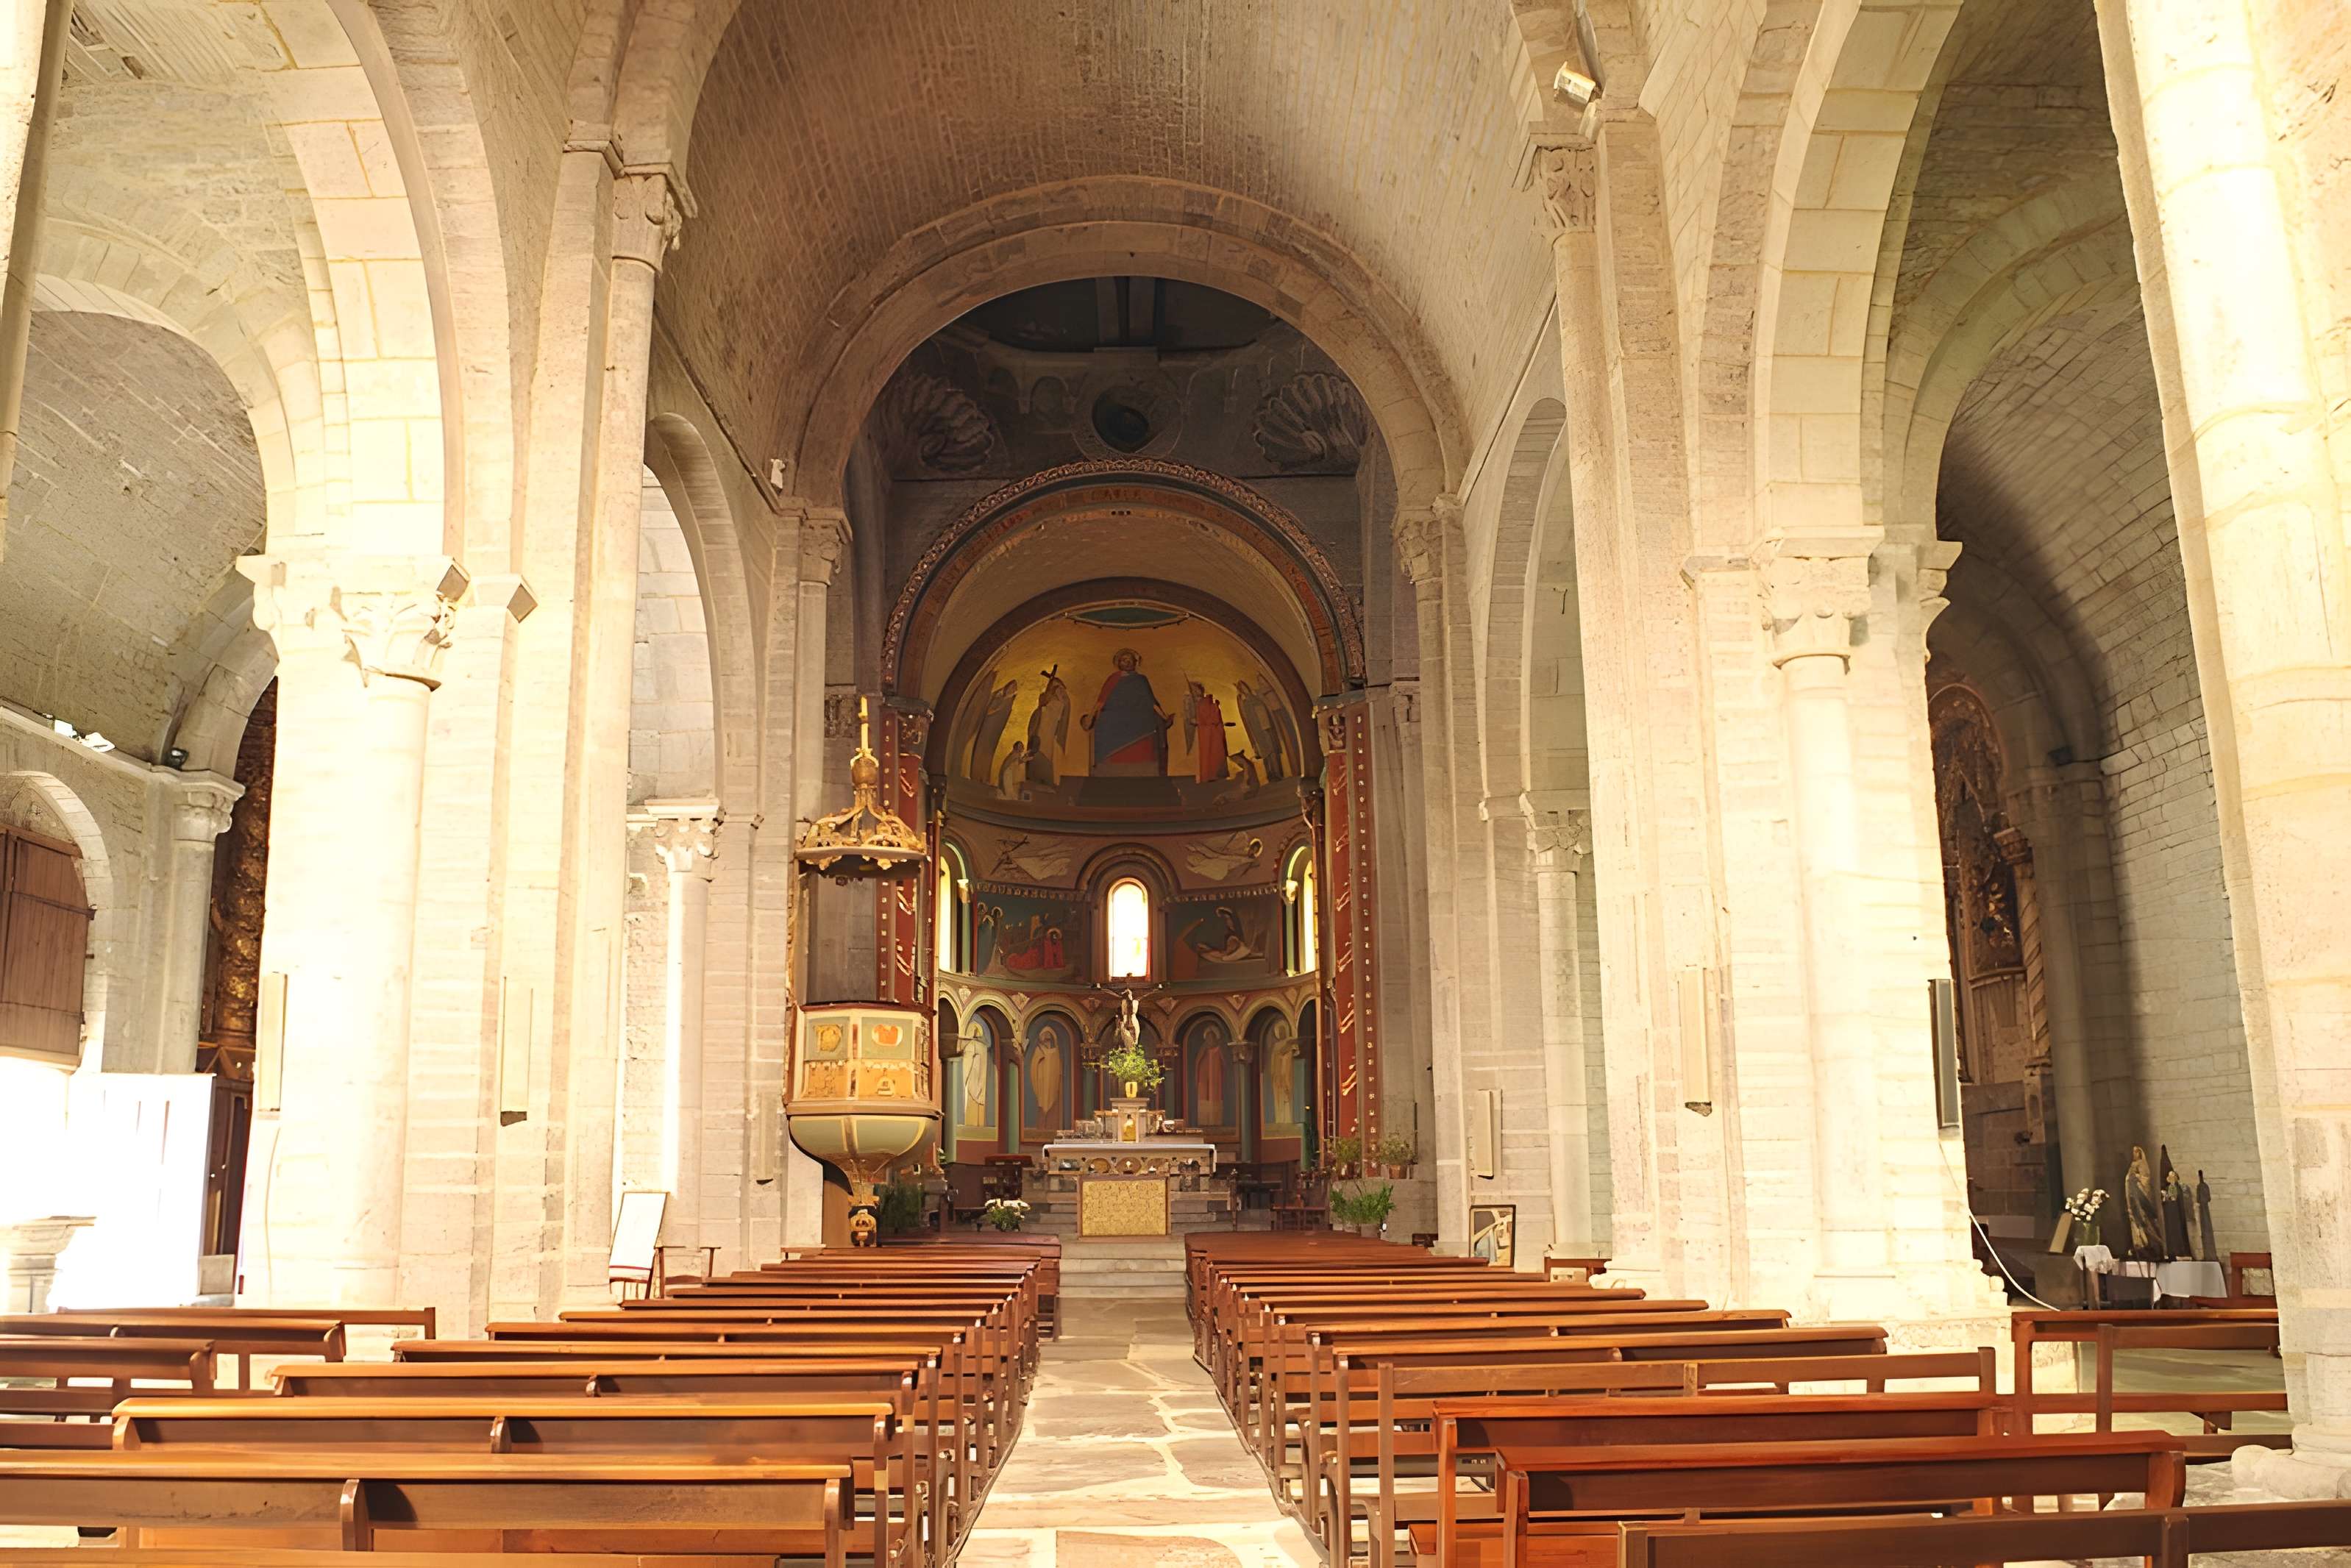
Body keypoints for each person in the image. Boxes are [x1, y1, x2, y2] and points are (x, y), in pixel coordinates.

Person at [1081, 648, 1170, 774]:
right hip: (1115, 714)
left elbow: (1151, 702)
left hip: (1138, 714)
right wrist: (1090, 717)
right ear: (1118, 664)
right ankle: (1107, 766)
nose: (1127, 662)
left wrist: (1164, 716)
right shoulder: (1112, 679)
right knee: (1104, 721)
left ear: (1135, 662)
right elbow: (1101, 701)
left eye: (1129, 660)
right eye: (1123, 660)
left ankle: (1144, 766)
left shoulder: (1141, 680)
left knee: (1150, 719)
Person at [1184, 680, 1228, 783]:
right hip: (1201, 734)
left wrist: (1199, 721)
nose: (1195, 692)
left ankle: (1211, 775)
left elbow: (1213, 718)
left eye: (1196, 690)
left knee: (1211, 755)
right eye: (1193, 690)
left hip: (1209, 733)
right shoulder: (1194, 702)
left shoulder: (1207, 702)